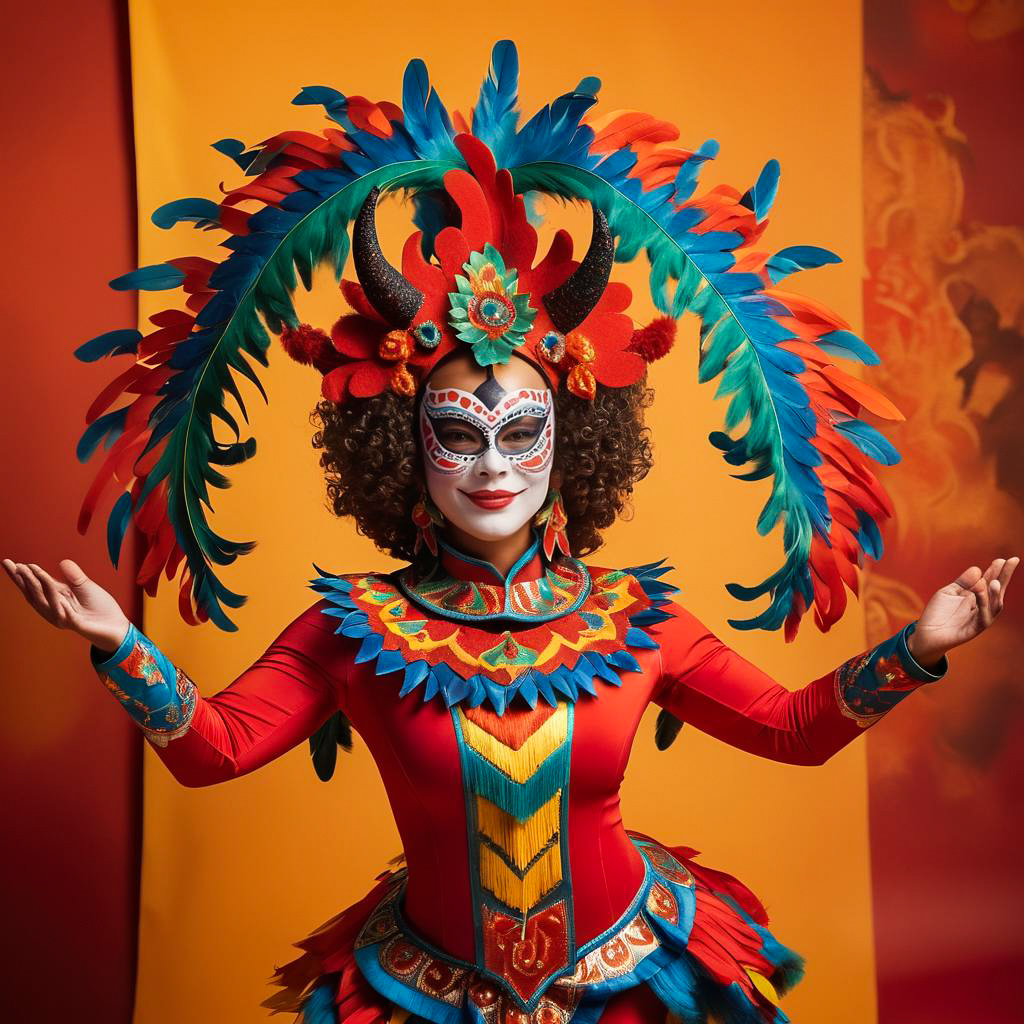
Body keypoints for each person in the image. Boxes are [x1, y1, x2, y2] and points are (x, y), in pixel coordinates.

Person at [3, 41, 1017, 1024]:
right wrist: (117, 644)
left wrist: (919, 648)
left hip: (630, 982)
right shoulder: (350, 629)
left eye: (521, 432)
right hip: (428, 986)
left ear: (572, 441)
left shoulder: (637, 620)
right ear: (400, 448)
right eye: (457, 433)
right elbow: (211, 751)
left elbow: (794, 731)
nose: (493, 465)